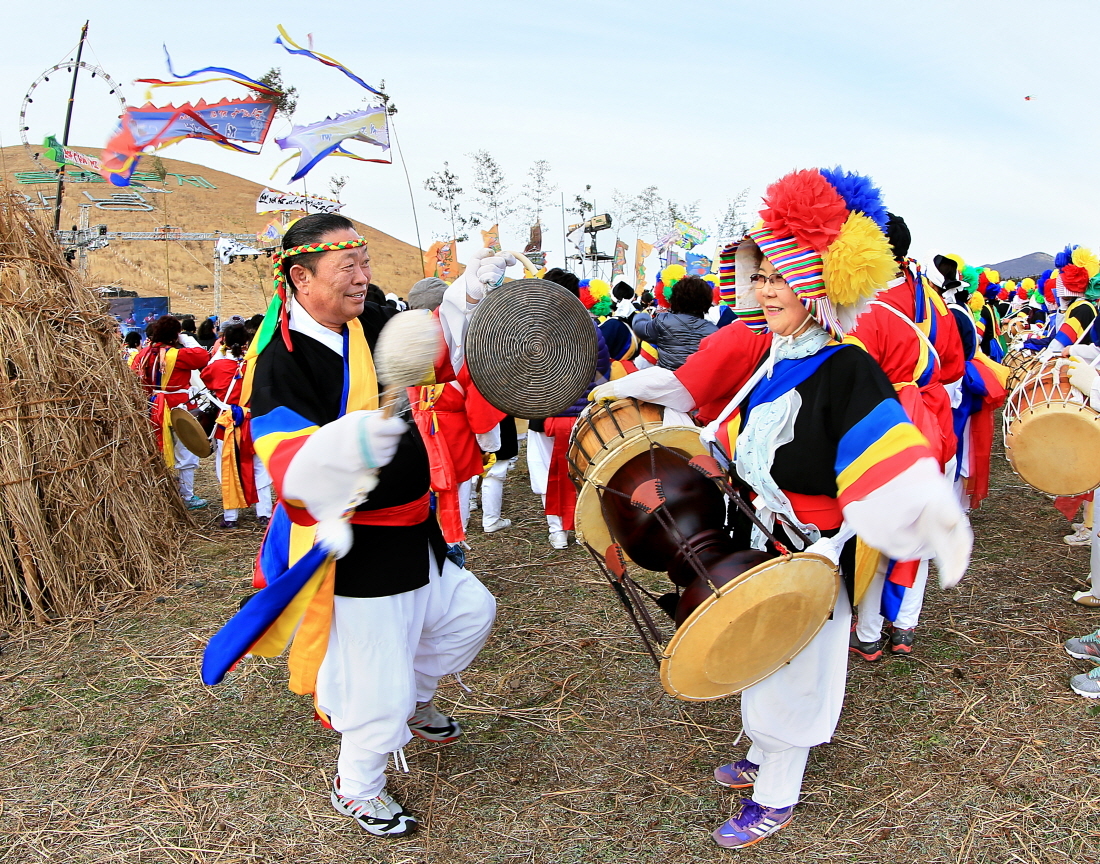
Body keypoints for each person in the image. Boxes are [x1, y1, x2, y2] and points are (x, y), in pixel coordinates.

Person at [590, 168, 970, 849]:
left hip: (815, 552)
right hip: (764, 536)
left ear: (816, 287)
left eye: (778, 276)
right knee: (763, 651)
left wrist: (918, 507)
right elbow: (712, 404)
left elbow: (887, 456)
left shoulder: (845, 366)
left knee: (797, 669)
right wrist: (637, 390)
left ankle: (777, 794)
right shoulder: (777, 358)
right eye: (758, 275)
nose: (764, 290)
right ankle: (763, 754)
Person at [240, 214, 502, 837]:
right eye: (347, 268)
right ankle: (358, 785)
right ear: (301, 277)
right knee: (375, 674)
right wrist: (362, 438)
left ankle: (410, 695)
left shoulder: (368, 323)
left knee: (469, 613)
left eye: (364, 265)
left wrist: (467, 291)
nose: (363, 278)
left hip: (416, 530)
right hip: (355, 545)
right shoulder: (280, 361)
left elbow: (430, 330)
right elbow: (292, 463)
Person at [130, 315, 212, 509]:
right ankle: (186, 496)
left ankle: (159, 493)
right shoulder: (177, 355)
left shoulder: (142, 355)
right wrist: (186, 339)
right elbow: (203, 356)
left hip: (150, 408)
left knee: (156, 451)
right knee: (186, 453)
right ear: (175, 335)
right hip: (178, 409)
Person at [200, 322, 274, 529]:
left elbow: (206, 377)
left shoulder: (218, 365)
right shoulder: (257, 365)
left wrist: (221, 353)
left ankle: (230, 516)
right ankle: (264, 513)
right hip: (254, 422)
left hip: (228, 423)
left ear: (223, 341)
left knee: (226, 467)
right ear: (246, 343)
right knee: (260, 465)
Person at [630, 274, 718, 371]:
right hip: (697, 383)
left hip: (669, 381)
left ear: (675, 298)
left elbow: (638, 327)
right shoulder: (715, 331)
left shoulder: (663, 321)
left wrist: (643, 314)